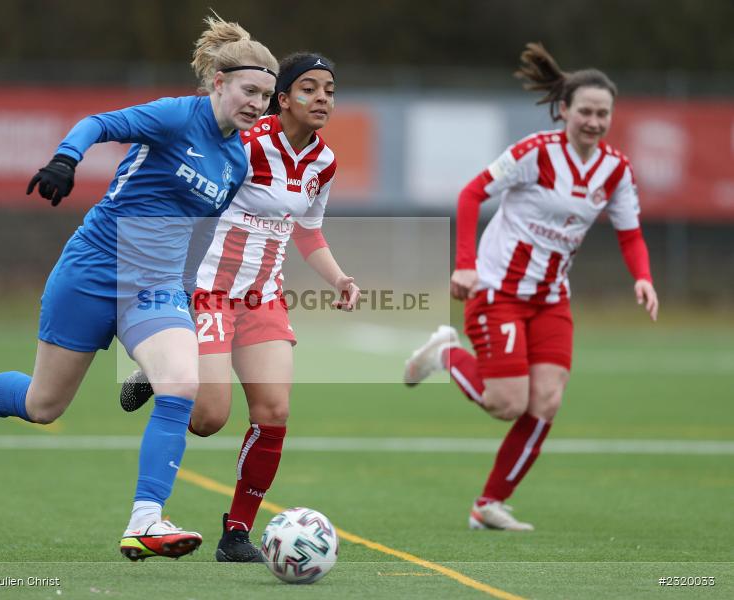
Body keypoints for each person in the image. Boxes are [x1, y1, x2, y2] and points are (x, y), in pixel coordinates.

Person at [0, 15, 277, 561]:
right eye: (249, 90)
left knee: (180, 383)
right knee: (43, 406)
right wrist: (66, 158)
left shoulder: (236, 160)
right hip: (93, 270)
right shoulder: (177, 116)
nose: (256, 103)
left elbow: (191, 232)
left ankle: (146, 519)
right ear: (218, 83)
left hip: (153, 289)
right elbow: (98, 122)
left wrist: (186, 295)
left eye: (266, 96)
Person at [403, 43, 659, 531]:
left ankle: (489, 504)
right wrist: (464, 263)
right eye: (585, 110)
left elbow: (630, 235)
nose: (594, 121)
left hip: (551, 301)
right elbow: (471, 192)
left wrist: (643, 277)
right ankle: (445, 355)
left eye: (603, 113)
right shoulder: (535, 153)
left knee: (547, 401)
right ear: (565, 110)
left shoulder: (615, 170)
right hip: (498, 291)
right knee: (506, 403)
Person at [119, 52, 359, 561]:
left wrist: (338, 277)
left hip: (262, 296)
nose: (322, 99)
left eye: (330, 91)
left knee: (274, 413)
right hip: (207, 289)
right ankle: (161, 368)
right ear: (283, 97)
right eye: (310, 89)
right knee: (208, 418)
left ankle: (236, 535)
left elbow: (309, 231)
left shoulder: (324, 161)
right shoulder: (244, 142)